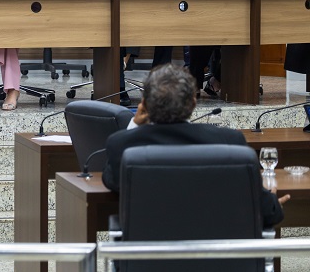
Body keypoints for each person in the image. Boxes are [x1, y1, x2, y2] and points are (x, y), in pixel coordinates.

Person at [102, 63, 289, 227]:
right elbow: (267, 211)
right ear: (193, 103)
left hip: (148, 262)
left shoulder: (121, 145)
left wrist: (134, 125)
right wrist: (273, 206)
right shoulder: (230, 142)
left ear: (144, 105)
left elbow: (111, 181)